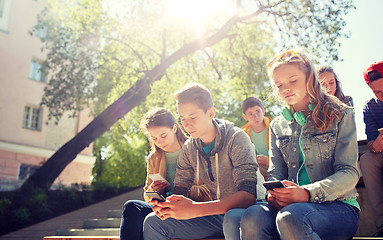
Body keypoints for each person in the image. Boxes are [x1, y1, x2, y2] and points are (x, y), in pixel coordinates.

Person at [233, 50, 360, 240]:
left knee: (291, 218)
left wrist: (307, 193)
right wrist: (274, 195)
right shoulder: (276, 125)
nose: (285, 89)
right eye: (279, 85)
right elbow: (276, 173)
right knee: (252, 217)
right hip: (290, 208)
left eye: (293, 81)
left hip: (339, 206)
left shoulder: (341, 113)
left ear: (310, 78)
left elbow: (349, 172)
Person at [143, 83, 266, 240]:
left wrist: (195, 209)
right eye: (182, 118)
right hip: (214, 214)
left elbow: (248, 196)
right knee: (153, 222)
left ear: (211, 113)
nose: (187, 125)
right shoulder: (188, 148)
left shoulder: (236, 137)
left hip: (250, 209)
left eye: (193, 117)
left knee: (233, 218)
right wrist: (168, 206)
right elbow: (179, 191)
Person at [119, 107, 211, 240]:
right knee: (131, 207)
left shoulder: (195, 149)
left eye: (163, 136)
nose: (160, 142)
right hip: (164, 207)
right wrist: (154, 190)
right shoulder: (154, 158)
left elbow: (210, 188)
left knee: (150, 220)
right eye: (154, 138)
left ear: (174, 128)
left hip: (190, 207)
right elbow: (146, 194)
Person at [359, 61, 383, 237]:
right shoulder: (371, 106)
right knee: (367, 159)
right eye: (378, 92)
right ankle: (382, 225)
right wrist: (375, 145)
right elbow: (370, 140)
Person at [241, 97, 272, 180]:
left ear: (263, 111)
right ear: (245, 117)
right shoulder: (243, 134)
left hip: (276, 166)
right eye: (250, 114)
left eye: (258, 111)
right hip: (257, 168)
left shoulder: (273, 126)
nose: (255, 116)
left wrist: (268, 161)